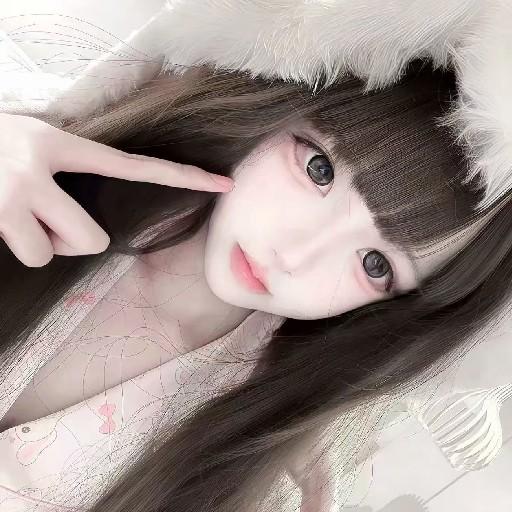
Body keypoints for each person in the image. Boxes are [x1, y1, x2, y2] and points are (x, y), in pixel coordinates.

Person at [0, 61, 511, 512]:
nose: (294, 254)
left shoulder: (261, 463)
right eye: (318, 170)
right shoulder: (44, 157)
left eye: (375, 265)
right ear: (281, 106)